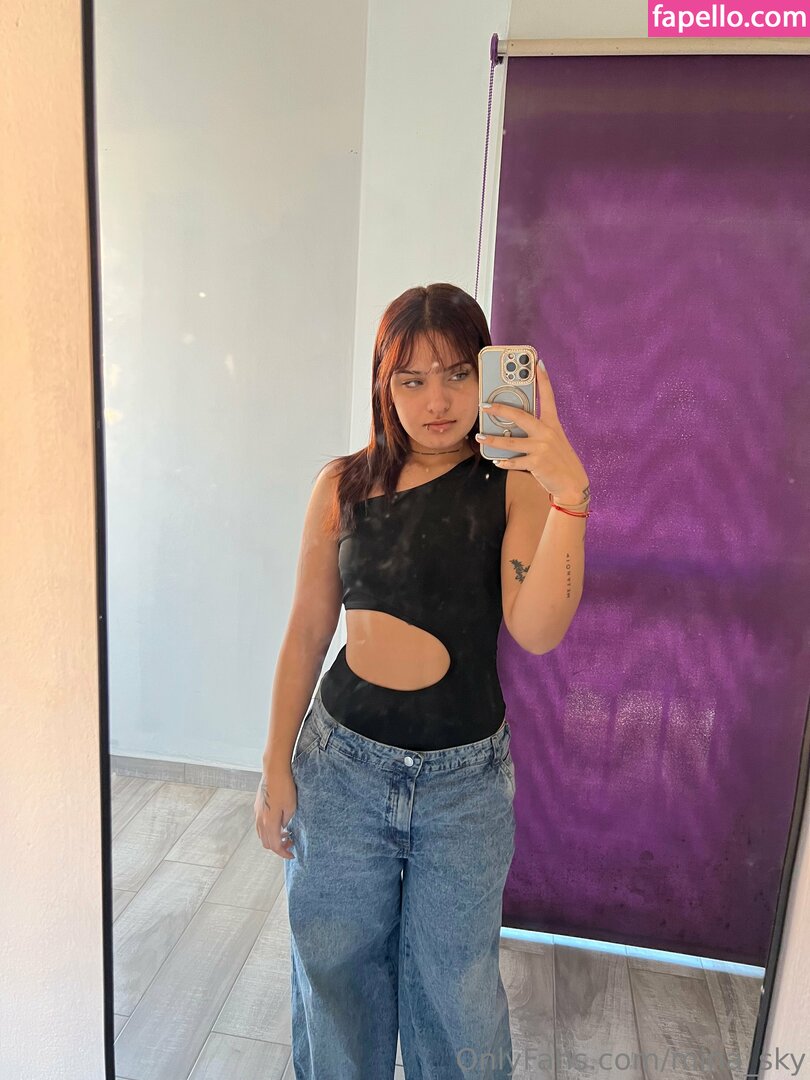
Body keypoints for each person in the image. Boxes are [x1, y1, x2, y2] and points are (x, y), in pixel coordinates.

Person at [254, 283, 590, 1079]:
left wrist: (570, 495)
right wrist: (275, 766)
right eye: (412, 379)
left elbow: (537, 630)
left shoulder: (511, 483)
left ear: (485, 373)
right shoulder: (342, 487)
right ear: (384, 384)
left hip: (462, 789)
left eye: (456, 374)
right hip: (340, 770)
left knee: (458, 995)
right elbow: (307, 630)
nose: (436, 401)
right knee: (334, 981)